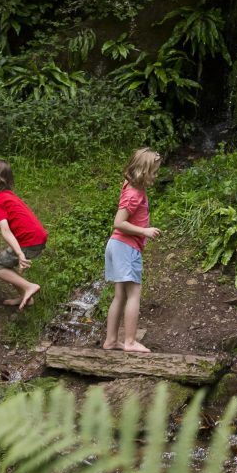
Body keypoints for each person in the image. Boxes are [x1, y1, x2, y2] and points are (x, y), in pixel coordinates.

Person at [103, 148, 162, 353]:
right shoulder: (135, 194)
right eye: (153, 172)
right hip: (125, 247)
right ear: (142, 172)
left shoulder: (130, 186)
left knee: (120, 295)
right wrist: (144, 231)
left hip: (118, 246)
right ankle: (129, 341)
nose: (155, 176)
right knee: (134, 294)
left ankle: (111, 340)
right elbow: (118, 222)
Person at [0, 159, 48, 312]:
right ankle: (26, 297)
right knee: (7, 265)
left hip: (29, 241)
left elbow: (5, 230)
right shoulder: (7, 195)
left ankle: (29, 287)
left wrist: (19, 253)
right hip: (37, 237)